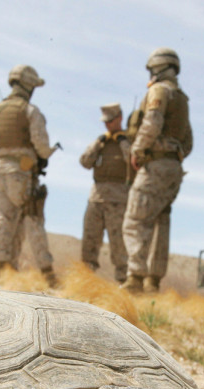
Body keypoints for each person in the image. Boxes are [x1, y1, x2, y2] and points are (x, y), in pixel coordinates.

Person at [121, 48, 192, 294]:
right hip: (174, 167)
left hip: (156, 165)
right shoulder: (182, 99)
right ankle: (153, 282)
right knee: (161, 222)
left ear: (157, 68)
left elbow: (151, 122)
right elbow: (189, 141)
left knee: (135, 220)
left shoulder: (159, 91)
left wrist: (138, 150)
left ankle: (135, 279)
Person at [0, 65, 59, 287]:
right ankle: (47, 273)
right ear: (29, 85)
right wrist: (49, 152)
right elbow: (41, 147)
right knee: (33, 219)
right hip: (21, 173)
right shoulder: (30, 111)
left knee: (2, 219)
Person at [78, 103, 130, 283]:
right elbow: (84, 161)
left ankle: (124, 281)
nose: (107, 125)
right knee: (89, 241)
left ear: (120, 118)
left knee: (119, 245)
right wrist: (98, 144)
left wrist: (123, 141)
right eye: (105, 122)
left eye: (110, 121)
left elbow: (133, 162)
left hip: (118, 199)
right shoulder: (101, 142)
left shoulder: (128, 140)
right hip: (96, 198)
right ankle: (85, 280)